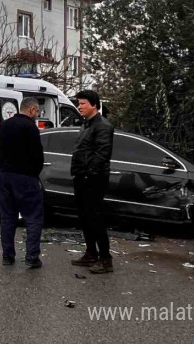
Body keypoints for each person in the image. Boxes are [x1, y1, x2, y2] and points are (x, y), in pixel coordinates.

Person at [0, 97, 45, 269]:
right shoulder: (30, 127)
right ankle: (32, 256)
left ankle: (7, 255)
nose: (37, 115)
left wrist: (0, 171)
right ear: (31, 110)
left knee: (7, 217)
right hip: (25, 177)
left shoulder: (4, 125)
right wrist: (34, 174)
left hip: (5, 175)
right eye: (37, 111)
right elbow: (37, 155)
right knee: (33, 217)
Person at [70, 90, 115, 274]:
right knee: (84, 217)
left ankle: (106, 260)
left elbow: (102, 154)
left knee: (95, 218)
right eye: (79, 103)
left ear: (94, 105)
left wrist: (89, 174)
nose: (79, 106)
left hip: (93, 179)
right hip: (81, 176)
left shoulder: (102, 126)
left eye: (82, 104)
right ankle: (91, 253)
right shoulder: (86, 124)